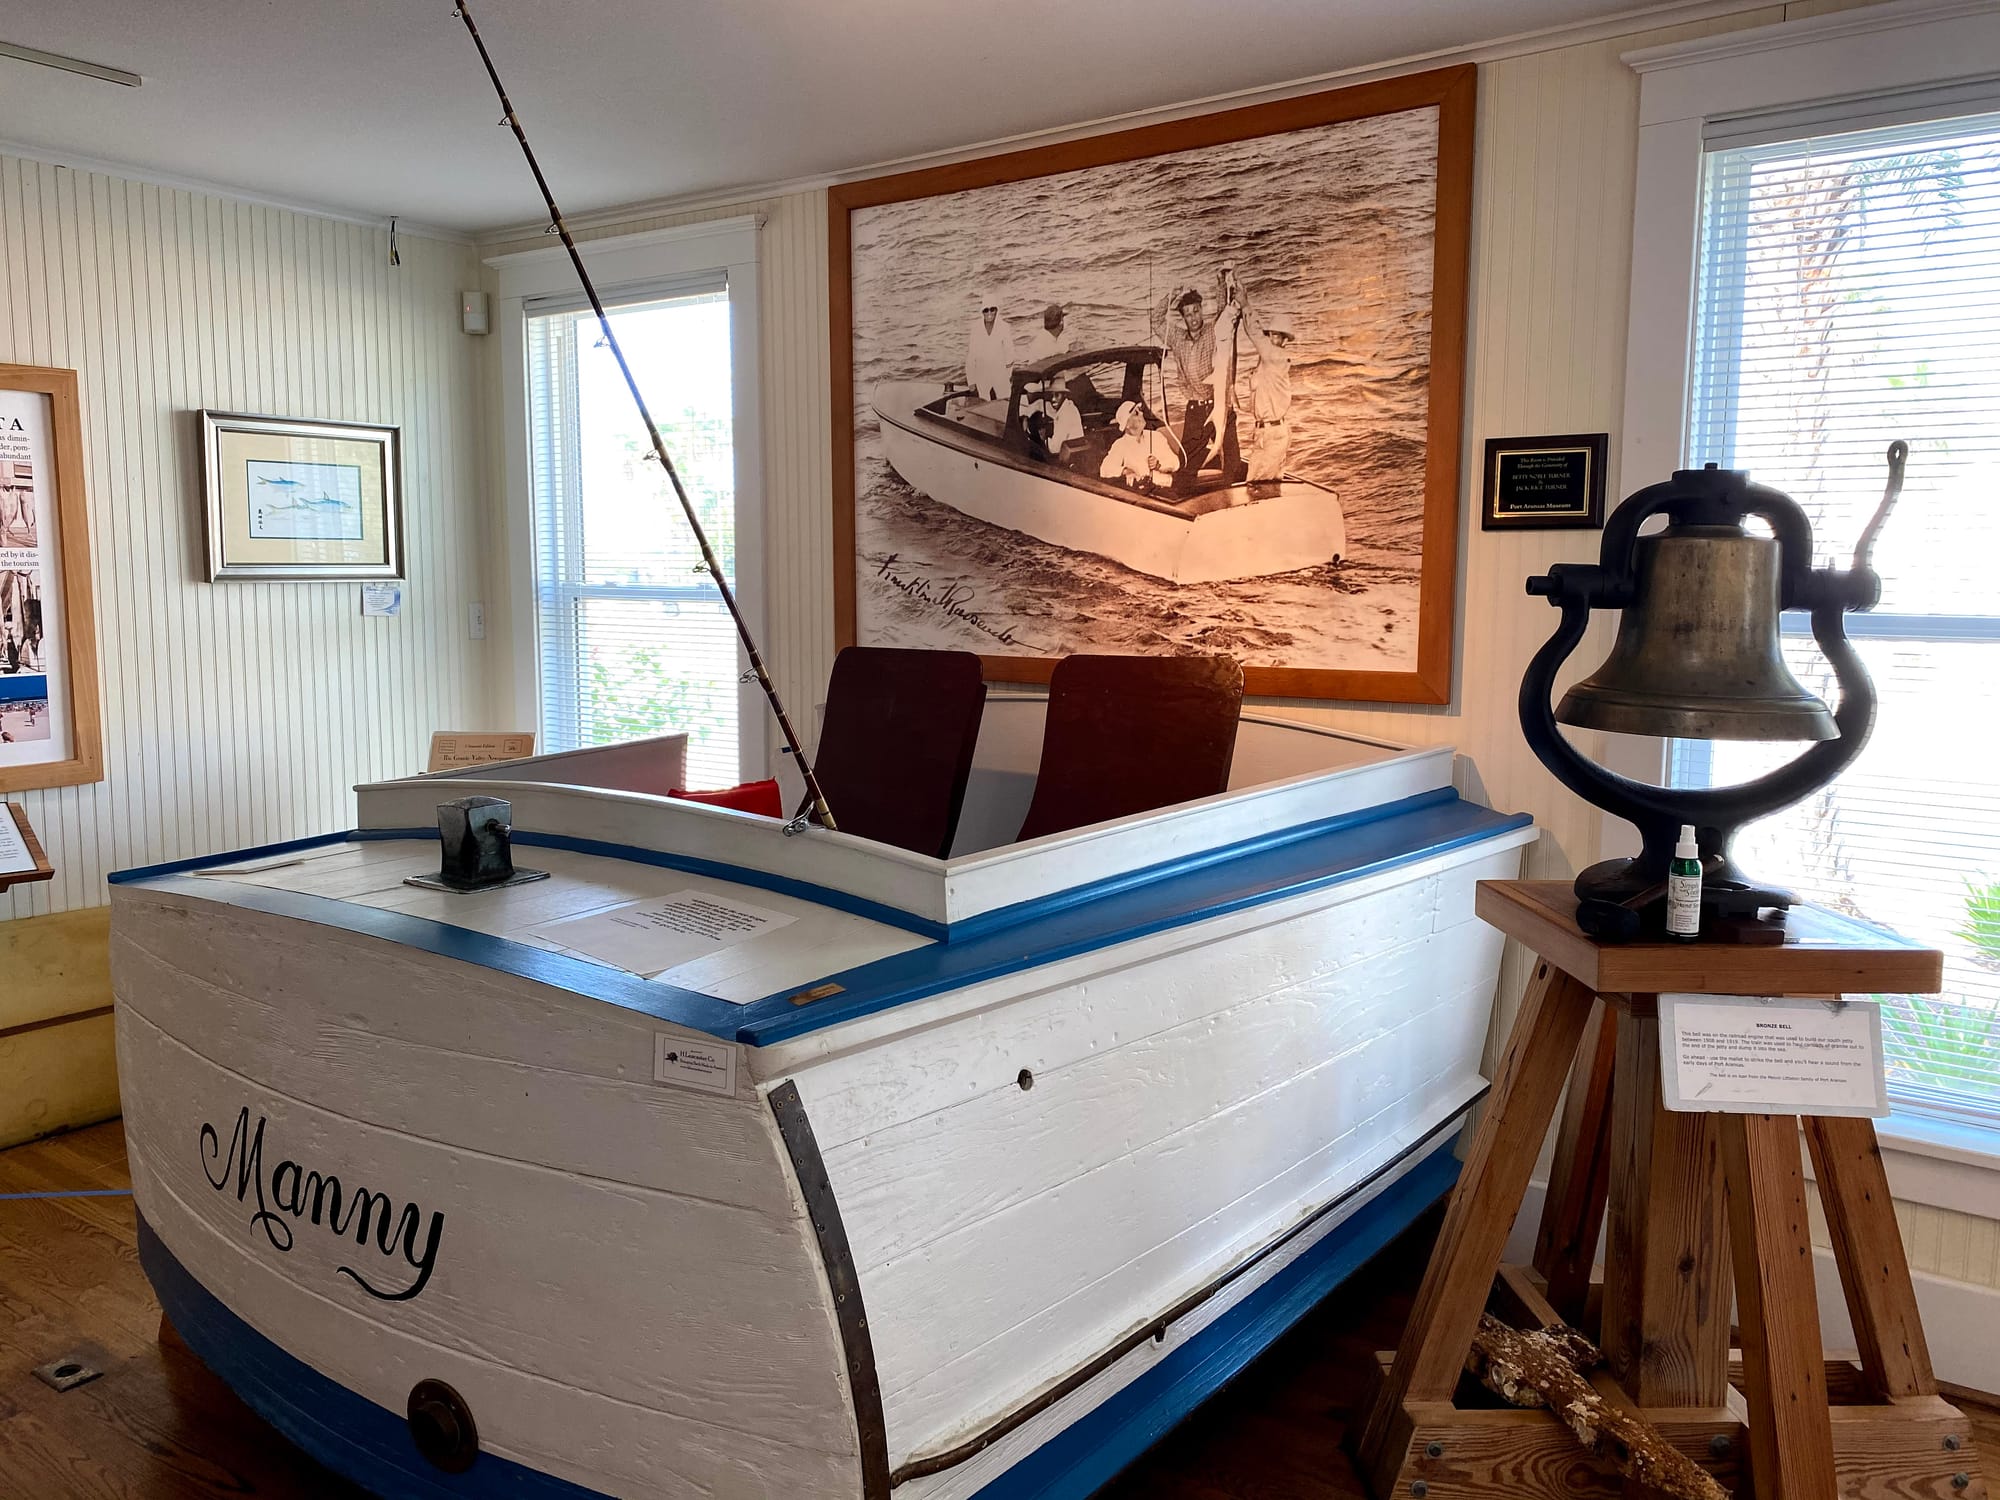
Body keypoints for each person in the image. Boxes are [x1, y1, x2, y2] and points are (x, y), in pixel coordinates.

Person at [1149, 278, 1239, 492]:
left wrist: (1222, 283)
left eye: (1196, 311)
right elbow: (1156, 320)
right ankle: (1180, 502)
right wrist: (1172, 296)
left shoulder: (1213, 332)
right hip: (1196, 410)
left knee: (1233, 461)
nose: (1193, 318)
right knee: (1186, 465)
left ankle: (1232, 498)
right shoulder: (1177, 338)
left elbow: (1223, 312)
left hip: (1220, 405)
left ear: (1201, 311)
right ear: (1183, 318)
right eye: (1188, 314)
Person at [1217, 294, 1297, 497]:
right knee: (1262, 486)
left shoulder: (1277, 357)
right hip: (1264, 433)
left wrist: (1245, 305)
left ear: (1285, 340)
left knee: (1257, 487)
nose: (1272, 339)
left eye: (1278, 336)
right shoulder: (1265, 363)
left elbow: (1254, 334)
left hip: (1273, 435)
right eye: (1271, 334)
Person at [1099, 401, 1179, 492]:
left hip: (1170, 488)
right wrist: (1126, 471)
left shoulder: (1156, 436)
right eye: (1136, 413)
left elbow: (1175, 463)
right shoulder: (1120, 444)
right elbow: (1105, 469)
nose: (1141, 413)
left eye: (1140, 410)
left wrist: (1158, 465)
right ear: (1127, 425)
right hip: (1145, 493)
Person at [964, 293, 1014, 401]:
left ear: (997, 310)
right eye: (986, 310)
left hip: (1000, 374)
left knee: (1005, 403)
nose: (989, 313)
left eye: (992, 309)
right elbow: (971, 357)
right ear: (982, 311)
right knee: (983, 404)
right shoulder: (975, 329)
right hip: (982, 374)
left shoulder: (1004, 327)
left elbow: (1010, 354)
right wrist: (971, 381)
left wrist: (1007, 376)